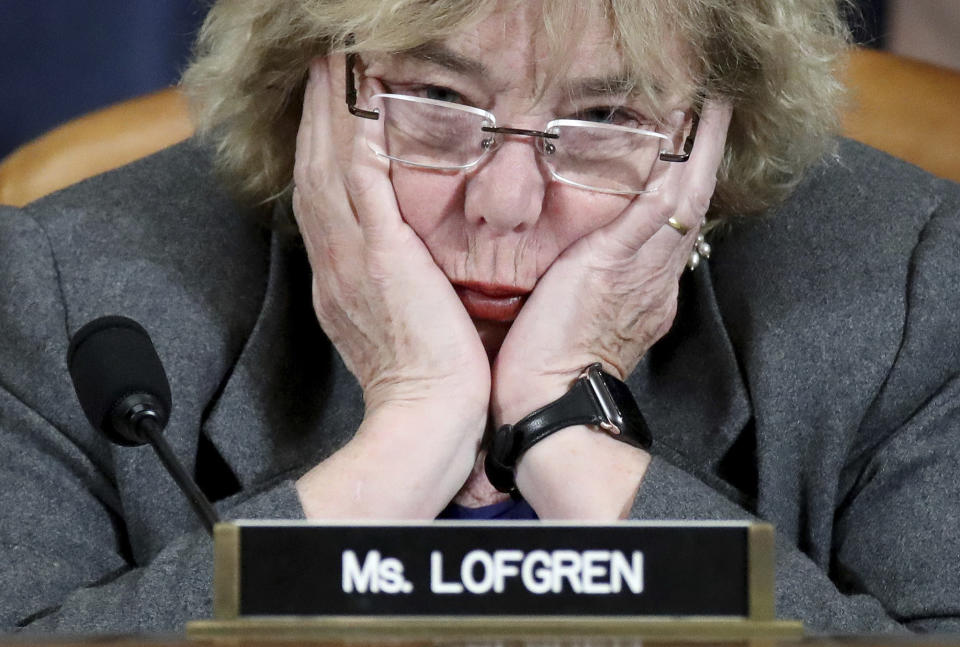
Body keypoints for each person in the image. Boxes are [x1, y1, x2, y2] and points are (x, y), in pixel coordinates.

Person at [1, 0, 958, 635]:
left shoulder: (904, 293)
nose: (506, 200)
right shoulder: (69, 287)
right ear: (306, 89)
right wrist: (407, 434)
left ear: (712, 134)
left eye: (609, 120)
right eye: (435, 99)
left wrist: (565, 427)